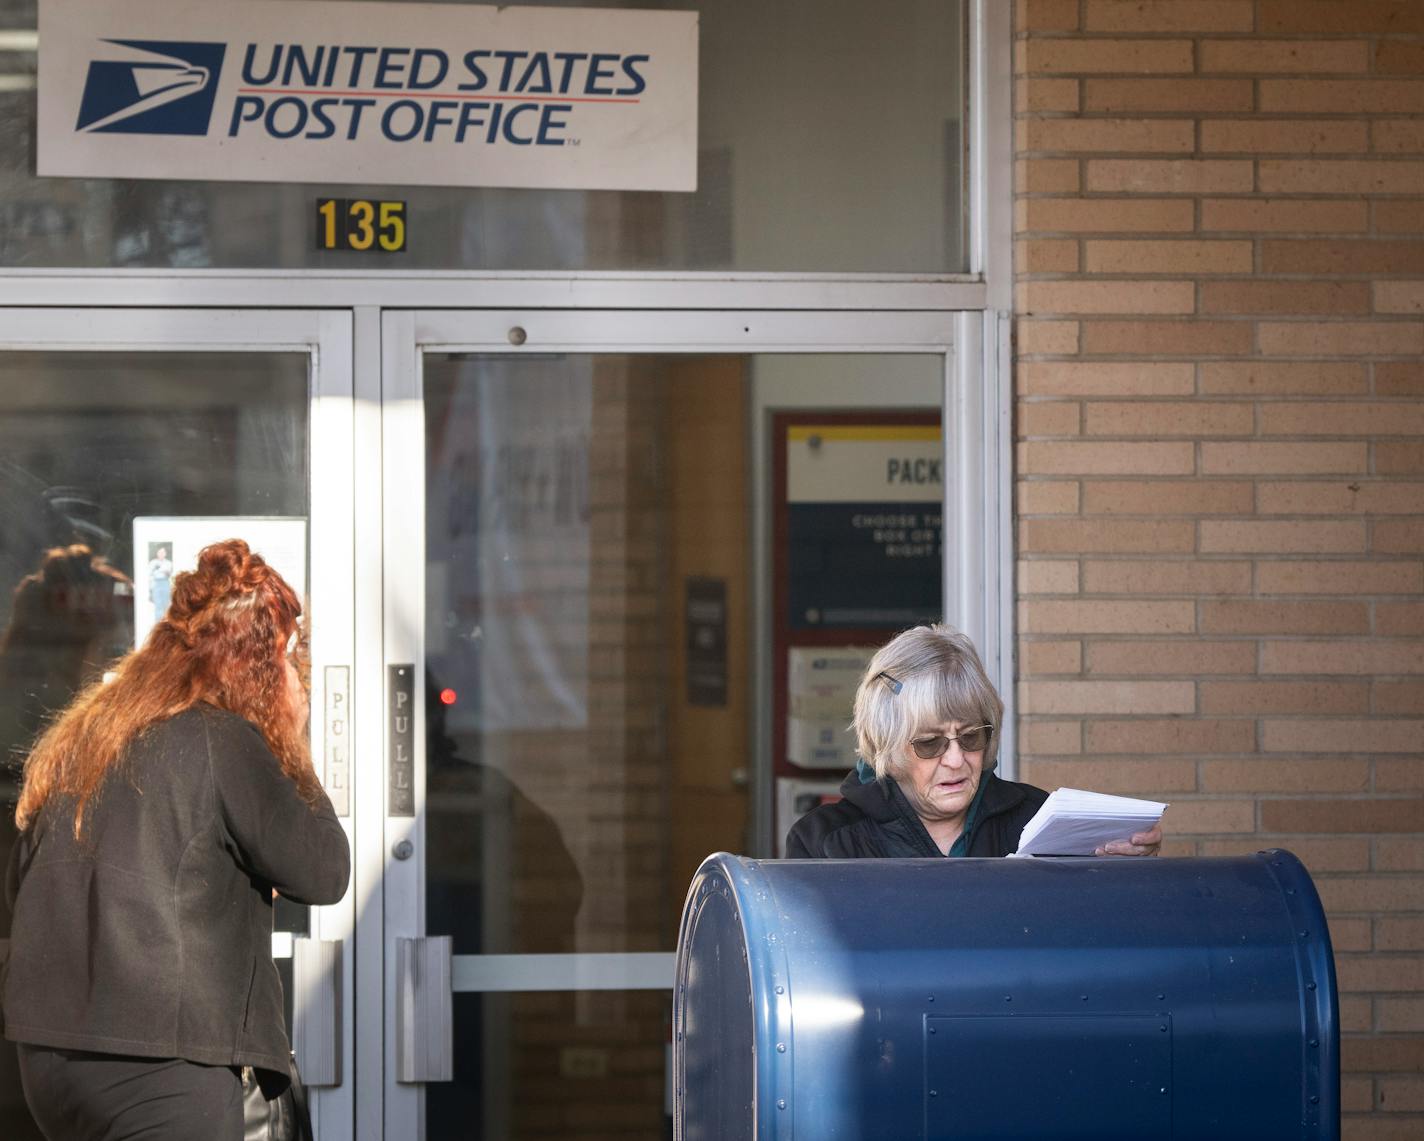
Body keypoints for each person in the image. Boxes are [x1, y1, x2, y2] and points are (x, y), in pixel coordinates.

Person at [1, 539, 350, 1141]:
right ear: (262, 667)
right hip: (165, 1064)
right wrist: (291, 745)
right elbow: (323, 871)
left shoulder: (86, 739)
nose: (297, 680)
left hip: (51, 1065)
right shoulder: (224, 740)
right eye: (290, 663)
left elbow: (19, 889)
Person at [787, 623, 1162, 859]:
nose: (955, 759)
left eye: (971, 737)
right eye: (931, 743)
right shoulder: (823, 841)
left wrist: (1122, 870)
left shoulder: (1037, 818)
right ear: (886, 745)